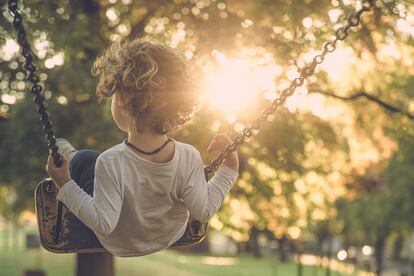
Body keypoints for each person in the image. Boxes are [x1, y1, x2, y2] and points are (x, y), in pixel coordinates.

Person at [45, 37, 239, 257]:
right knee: (93, 162)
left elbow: (103, 223)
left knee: (85, 159)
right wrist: (229, 170)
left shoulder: (109, 162)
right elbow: (203, 211)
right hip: (168, 235)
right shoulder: (189, 156)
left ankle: (69, 156)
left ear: (123, 102)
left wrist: (64, 184)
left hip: (120, 242)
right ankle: (70, 155)